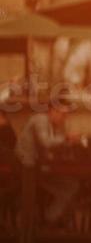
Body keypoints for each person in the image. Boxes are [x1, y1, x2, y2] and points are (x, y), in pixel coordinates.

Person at [16, 95, 79, 226]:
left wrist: (68, 142)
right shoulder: (40, 120)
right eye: (63, 114)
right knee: (70, 186)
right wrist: (66, 138)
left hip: (35, 166)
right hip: (26, 168)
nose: (64, 118)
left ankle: (51, 217)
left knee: (71, 184)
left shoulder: (49, 124)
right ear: (53, 111)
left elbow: (51, 146)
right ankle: (50, 218)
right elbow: (46, 143)